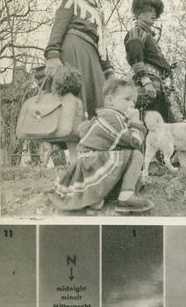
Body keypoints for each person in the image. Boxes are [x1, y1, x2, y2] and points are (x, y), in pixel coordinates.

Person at [49, 77, 154, 214]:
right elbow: (135, 142)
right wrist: (136, 122)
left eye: (134, 102)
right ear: (110, 100)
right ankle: (125, 197)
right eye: (127, 99)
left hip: (91, 165)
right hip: (91, 166)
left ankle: (96, 197)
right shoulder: (112, 119)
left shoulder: (110, 117)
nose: (132, 105)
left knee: (126, 154)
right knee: (136, 155)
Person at [45, 0, 112, 121]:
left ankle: (92, 142)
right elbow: (58, 28)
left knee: (99, 102)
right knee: (74, 103)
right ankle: (73, 142)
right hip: (74, 52)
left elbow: (102, 45)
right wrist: (53, 55)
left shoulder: (98, 11)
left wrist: (108, 70)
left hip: (93, 59)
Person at [124, 0, 177, 122]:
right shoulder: (136, 32)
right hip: (146, 89)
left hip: (157, 89)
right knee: (149, 129)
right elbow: (135, 57)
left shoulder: (148, 36)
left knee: (167, 129)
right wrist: (146, 82)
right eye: (149, 9)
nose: (153, 13)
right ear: (139, 13)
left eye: (155, 11)